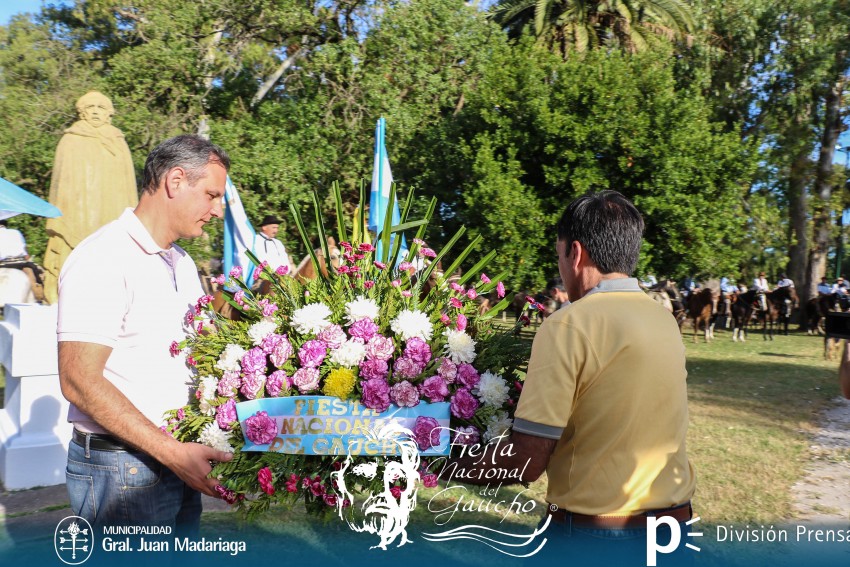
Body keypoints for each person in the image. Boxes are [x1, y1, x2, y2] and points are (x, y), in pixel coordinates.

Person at [448, 190, 695, 564]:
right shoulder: (662, 318)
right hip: (674, 529)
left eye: (558, 255)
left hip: (598, 538)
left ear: (575, 253)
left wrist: (430, 458)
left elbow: (525, 462)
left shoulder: (569, 324)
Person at [57, 135, 233, 534]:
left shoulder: (183, 264)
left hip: (175, 460)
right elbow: (78, 380)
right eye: (211, 195)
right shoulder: (103, 257)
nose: (217, 210)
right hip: (122, 469)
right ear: (174, 181)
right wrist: (172, 453)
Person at [42, 91, 138, 304]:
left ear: (109, 113)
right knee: (71, 254)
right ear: (82, 113)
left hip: (111, 211)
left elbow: (128, 184)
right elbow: (62, 181)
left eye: (100, 107)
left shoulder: (118, 141)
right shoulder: (71, 139)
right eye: (90, 107)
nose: (95, 111)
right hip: (76, 210)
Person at [0, 220, 45, 299]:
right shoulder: (16, 232)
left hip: (3, 263)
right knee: (39, 275)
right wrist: (31, 262)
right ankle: (39, 296)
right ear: (5, 225)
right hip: (21, 262)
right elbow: (25, 253)